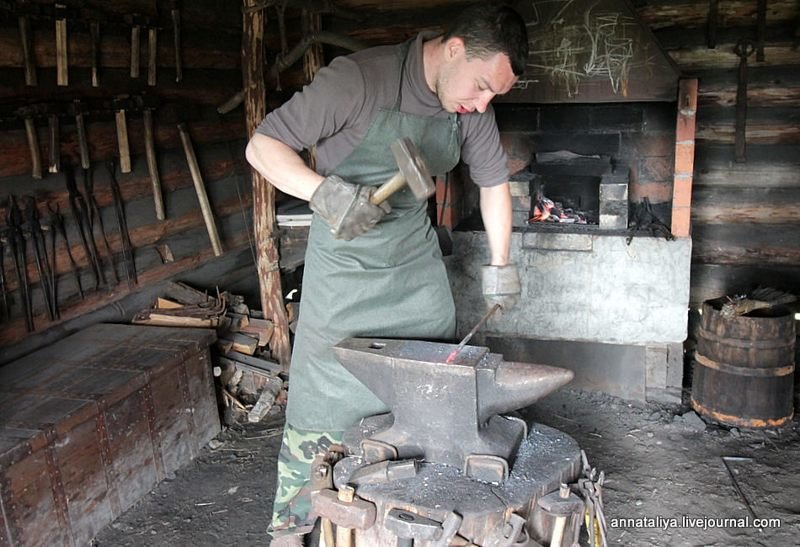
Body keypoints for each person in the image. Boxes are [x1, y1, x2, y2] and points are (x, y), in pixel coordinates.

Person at [245, 3, 528, 545]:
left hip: (415, 269)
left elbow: (492, 183)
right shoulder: (357, 80)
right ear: (453, 49)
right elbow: (262, 145)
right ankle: (292, 526)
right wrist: (322, 192)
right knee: (325, 401)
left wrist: (502, 264)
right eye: (481, 86)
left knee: (431, 390)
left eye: (495, 94)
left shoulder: (468, 107)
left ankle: (411, 515)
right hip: (344, 270)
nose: (483, 102)